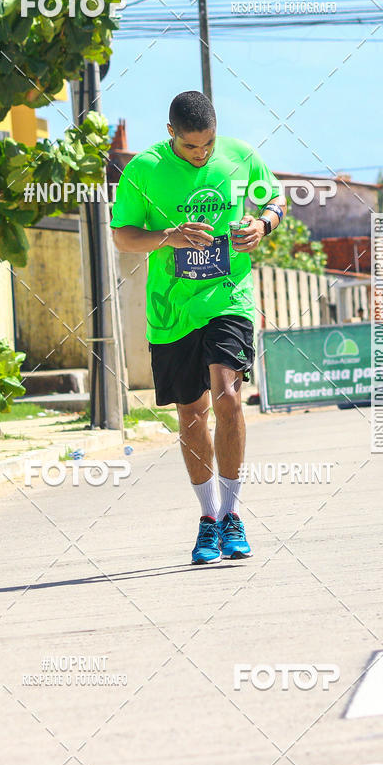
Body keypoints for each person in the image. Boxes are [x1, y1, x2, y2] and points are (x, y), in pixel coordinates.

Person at [110, 91, 286, 564]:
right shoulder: (144, 170)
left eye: (208, 144)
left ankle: (232, 515)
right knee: (191, 414)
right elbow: (122, 235)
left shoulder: (239, 155)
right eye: (191, 147)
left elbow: (276, 200)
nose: (202, 154)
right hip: (171, 312)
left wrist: (263, 226)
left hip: (229, 298)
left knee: (227, 395)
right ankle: (208, 519)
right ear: (171, 134)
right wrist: (168, 236)